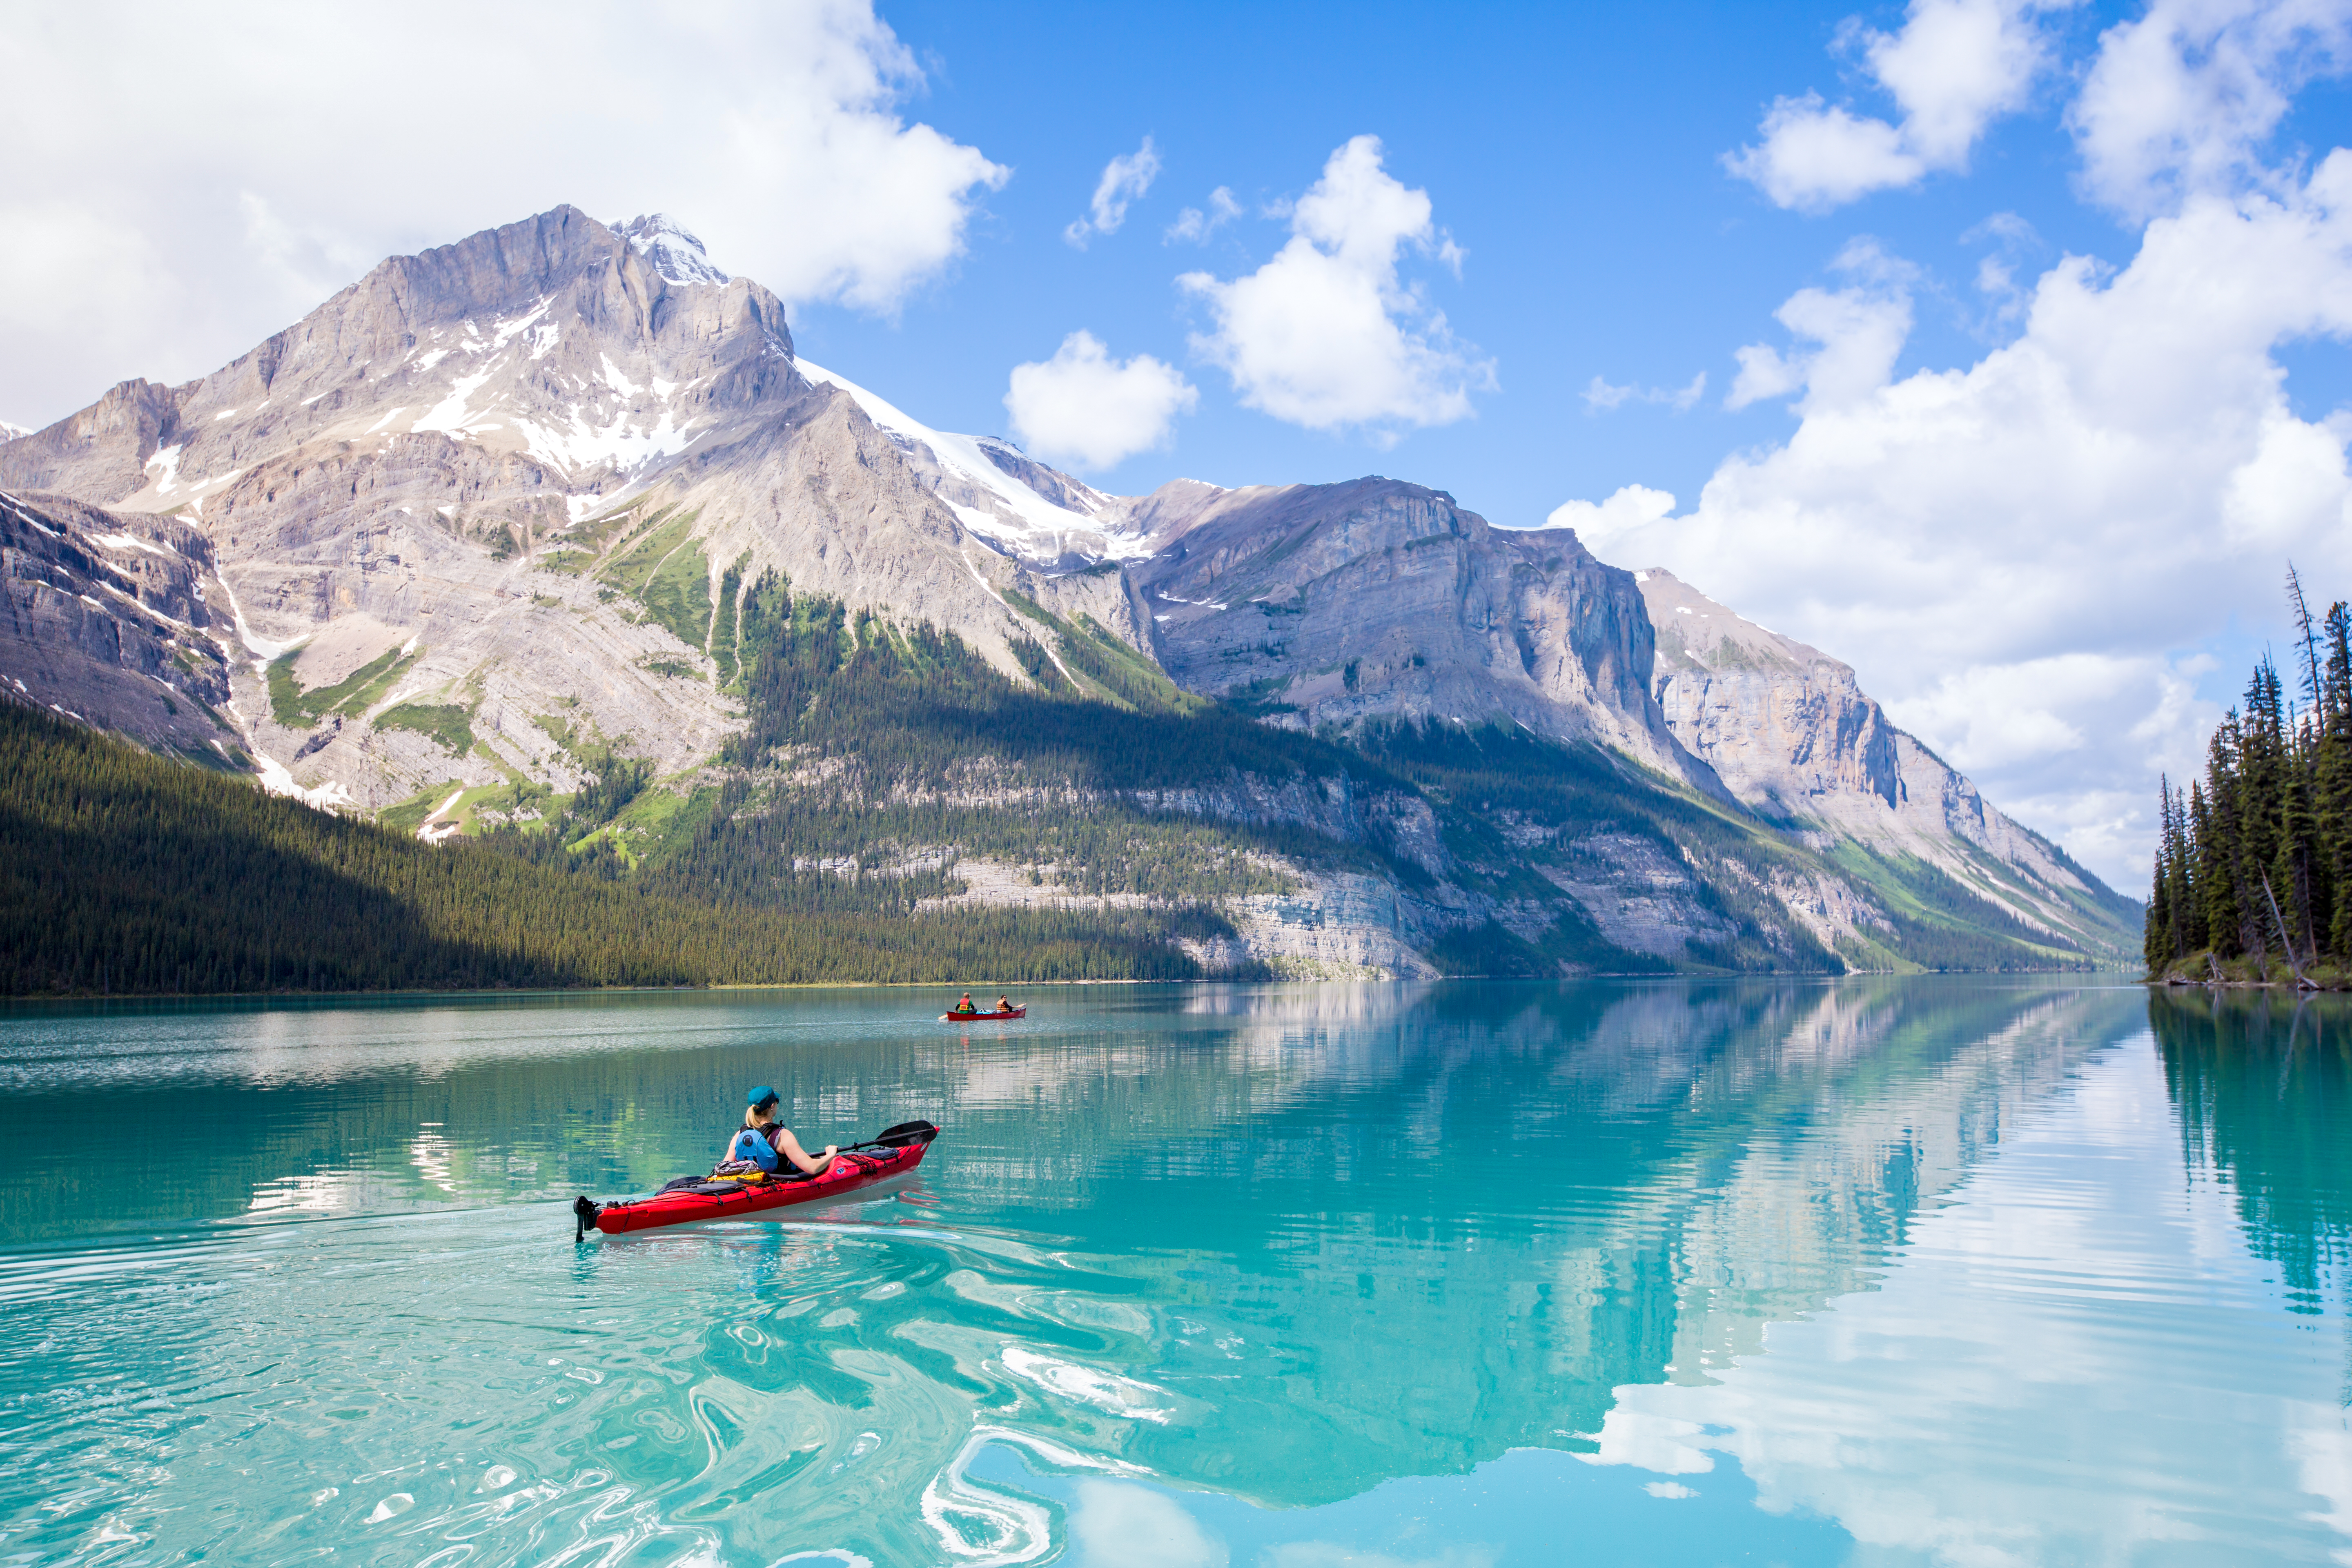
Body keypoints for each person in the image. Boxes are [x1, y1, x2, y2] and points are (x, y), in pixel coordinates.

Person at [723, 1086, 838, 1176]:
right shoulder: (782, 1136)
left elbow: (725, 1167)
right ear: (772, 1106)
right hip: (779, 1185)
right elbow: (813, 1169)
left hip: (750, 1185)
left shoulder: (740, 1135)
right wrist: (830, 1155)